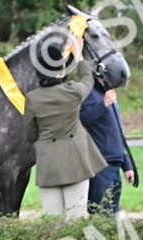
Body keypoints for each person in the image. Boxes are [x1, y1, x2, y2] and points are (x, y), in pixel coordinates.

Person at [23, 32, 107, 219]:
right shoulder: (73, 92)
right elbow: (88, 79)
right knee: (76, 219)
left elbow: (29, 135)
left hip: (48, 165)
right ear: (60, 69)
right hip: (75, 162)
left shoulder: (32, 99)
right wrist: (78, 55)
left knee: (52, 223)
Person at [80, 76, 139, 216]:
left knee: (113, 212)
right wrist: (103, 105)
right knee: (101, 213)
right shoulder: (89, 93)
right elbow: (82, 119)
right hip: (100, 164)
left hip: (114, 164)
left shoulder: (107, 93)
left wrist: (127, 164)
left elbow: (116, 132)